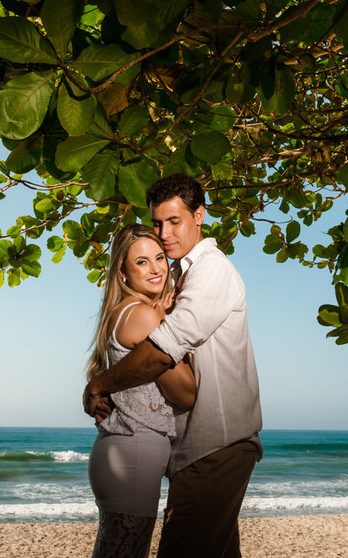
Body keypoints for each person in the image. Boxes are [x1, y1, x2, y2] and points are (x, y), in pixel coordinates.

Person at [83, 174, 262, 557]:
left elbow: (164, 351)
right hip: (194, 451)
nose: (164, 234)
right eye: (158, 223)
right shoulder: (177, 277)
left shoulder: (211, 270)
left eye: (174, 221)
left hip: (215, 445)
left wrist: (99, 385)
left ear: (199, 216)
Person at [87, 223, 197, 558]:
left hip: (122, 453)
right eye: (141, 262)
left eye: (159, 257)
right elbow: (186, 393)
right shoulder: (142, 315)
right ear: (122, 273)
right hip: (132, 454)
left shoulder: (124, 311)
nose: (155, 269)